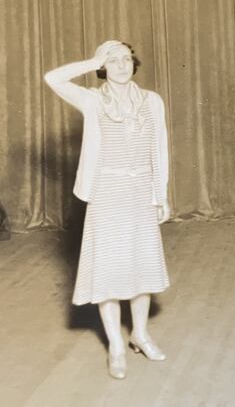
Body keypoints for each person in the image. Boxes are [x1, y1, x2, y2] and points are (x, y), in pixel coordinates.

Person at [44, 40, 171, 379]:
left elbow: (159, 150)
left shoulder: (152, 102)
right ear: (103, 66)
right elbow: (52, 78)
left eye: (126, 58)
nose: (121, 65)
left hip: (142, 191)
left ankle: (140, 335)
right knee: (109, 270)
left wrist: (161, 194)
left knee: (142, 268)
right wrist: (91, 61)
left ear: (134, 63)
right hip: (108, 192)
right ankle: (116, 345)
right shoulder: (92, 100)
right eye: (112, 61)